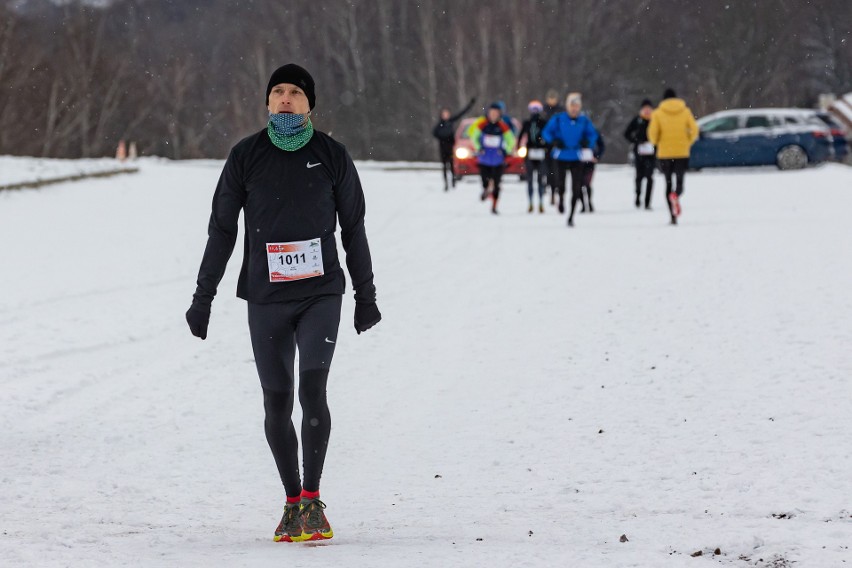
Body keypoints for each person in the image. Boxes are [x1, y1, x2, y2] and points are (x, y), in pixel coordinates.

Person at [184, 64, 381, 543]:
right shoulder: (246, 156)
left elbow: (353, 228)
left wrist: (365, 293)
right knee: (276, 399)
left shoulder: (332, 155)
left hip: (320, 294)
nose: (287, 98)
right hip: (266, 297)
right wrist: (202, 296)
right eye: (278, 92)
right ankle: (292, 501)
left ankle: (314, 500)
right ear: (267, 102)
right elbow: (222, 231)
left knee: (312, 390)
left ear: (310, 103)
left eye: (295, 92)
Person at [542, 92, 598, 227]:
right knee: (560, 184)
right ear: (567, 106)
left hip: (577, 156)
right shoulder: (558, 119)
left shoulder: (584, 120)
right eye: (572, 105)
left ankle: (571, 215)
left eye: (577, 106)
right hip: (561, 156)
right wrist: (554, 141)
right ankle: (560, 199)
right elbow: (546, 132)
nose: (574, 108)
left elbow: (593, 135)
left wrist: (587, 143)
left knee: (576, 186)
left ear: (580, 107)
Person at [647, 88, 699, 225]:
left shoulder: (657, 113)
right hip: (682, 152)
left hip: (664, 153)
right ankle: (676, 194)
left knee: (668, 181)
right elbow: (694, 130)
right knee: (680, 180)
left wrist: (657, 142)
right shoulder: (685, 111)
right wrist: (687, 141)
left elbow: (652, 133)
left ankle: (672, 216)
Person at [467, 102, 516, 214]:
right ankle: (486, 189)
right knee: (485, 181)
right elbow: (474, 137)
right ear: (488, 114)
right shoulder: (482, 124)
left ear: (499, 114)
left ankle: (494, 206)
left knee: (497, 184)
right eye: (491, 113)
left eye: (496, 113)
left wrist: (505, 150)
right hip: (484, 158)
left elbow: (511, 140)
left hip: (498, 160)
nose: (493, 115)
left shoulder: (502, 126)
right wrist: (479, 148)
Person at [432, 97, 476, 190]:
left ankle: (453, 181)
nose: (446, 115)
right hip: (443, 147)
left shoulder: (450, 122)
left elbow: (461, 113)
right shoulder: (440, 125)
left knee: (452, 165)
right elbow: (434, 133)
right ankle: (446, 183)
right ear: (441, 115)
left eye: (447, 114)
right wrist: (442, 136)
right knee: (444, 166)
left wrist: (470, 105)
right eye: (444, 114)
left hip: (450, 147)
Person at [624, 99, 656, 209]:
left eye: (649, 109)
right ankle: (638, 196)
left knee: (649, 177)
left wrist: (655, 144)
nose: (647, 111)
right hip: (639, 152)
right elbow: (627, 133)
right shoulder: (637, 120)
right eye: (645, 109)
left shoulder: (655, 119)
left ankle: (647, 202)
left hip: (651, 153)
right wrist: (636, 141)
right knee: (639, 176)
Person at [519, 100, 548, 213]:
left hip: (541, 153)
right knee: (530, 179)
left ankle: (540, 202)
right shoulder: (527, 123)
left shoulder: (544, 123)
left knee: (541, 179)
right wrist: (519, 148)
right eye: (533, 109)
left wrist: (546, 146)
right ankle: (531, 202)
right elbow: (521, 135)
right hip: (530, 153)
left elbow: (548, 136)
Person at [541, 89, 564, 204]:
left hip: (559, 144)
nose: (552, 100)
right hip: (546, 144)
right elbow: (542, 128)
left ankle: (556, 190)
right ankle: (549, 187)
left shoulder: (561, 111)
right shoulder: (543, 111)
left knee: (557, 170)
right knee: (547, 169)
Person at [580, 132, 605, 213]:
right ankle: (583, 204)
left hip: (590, 162)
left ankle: (589, 203)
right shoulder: (576, 131)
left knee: (587, 183)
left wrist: (597, 156)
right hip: (578, 162)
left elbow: (601, 146)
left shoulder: (593, 132)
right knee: (579, 184)